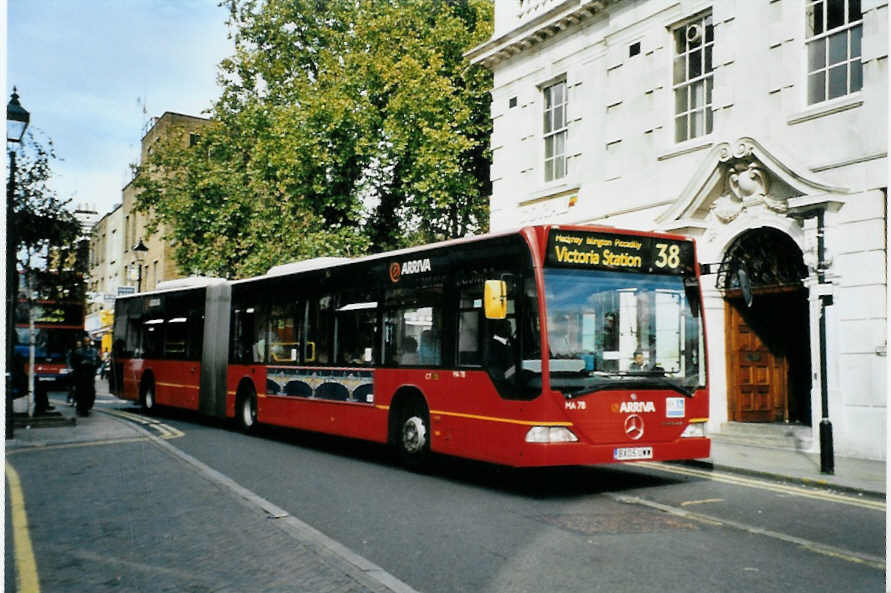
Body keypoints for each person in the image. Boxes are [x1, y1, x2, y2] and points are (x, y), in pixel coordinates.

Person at [69, 334, 101, 416]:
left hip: (90, 376)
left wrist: (94, 365)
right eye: (85, 342)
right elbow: (73, 363)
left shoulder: (94, 351)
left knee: (91, 393)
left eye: (88, 341)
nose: (87, 343)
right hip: (81, 376)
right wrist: (81, 365)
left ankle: (88, 407)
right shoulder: (77, 352)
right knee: (81, 393)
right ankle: (82, 409)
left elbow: (98, 362)